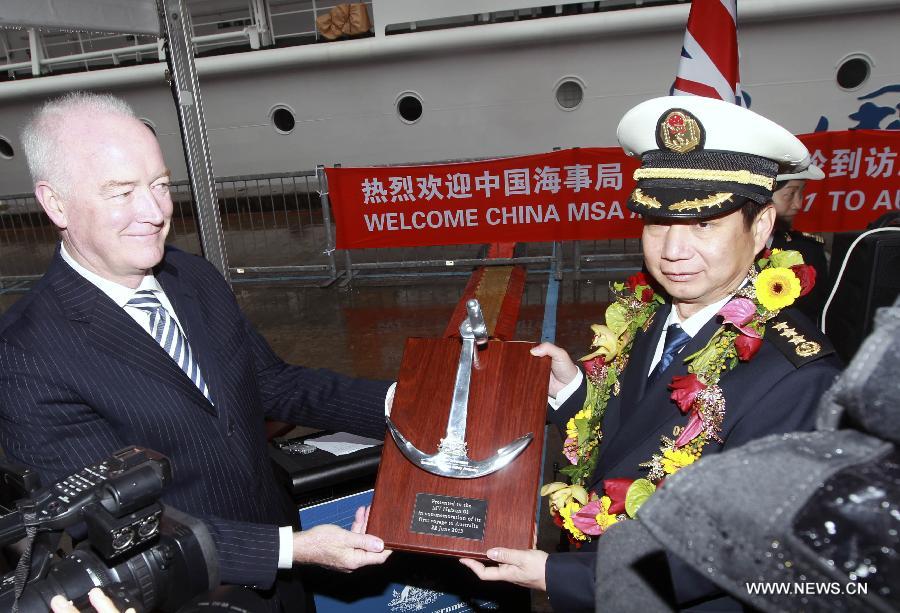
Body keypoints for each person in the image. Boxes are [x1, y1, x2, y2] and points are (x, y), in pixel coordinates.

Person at [0, 92, 392, 610]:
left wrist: (402, 401)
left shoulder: (194, 277)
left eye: (160, 184)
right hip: (192, 592)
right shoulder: (26, 356)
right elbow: (111, 523)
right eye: (121, 192)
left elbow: (273, 384)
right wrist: (288, 550)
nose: (155, 212)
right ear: (56, 203)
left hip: (285, 572)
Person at [460, 95, 842, 611]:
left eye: (704, 225)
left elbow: (735, 547)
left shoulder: (797, 376)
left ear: (761, 228)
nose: (673, 251)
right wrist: (574, 392)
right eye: (657, 222)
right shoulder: (652, 314)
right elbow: (636, 436)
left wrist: (563, 577)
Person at [768, 165, 830, 325]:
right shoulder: (737, 242)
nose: (798, 204)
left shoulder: (808, 249)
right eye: (790, 195)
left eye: (801, 194)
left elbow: (816, 308)